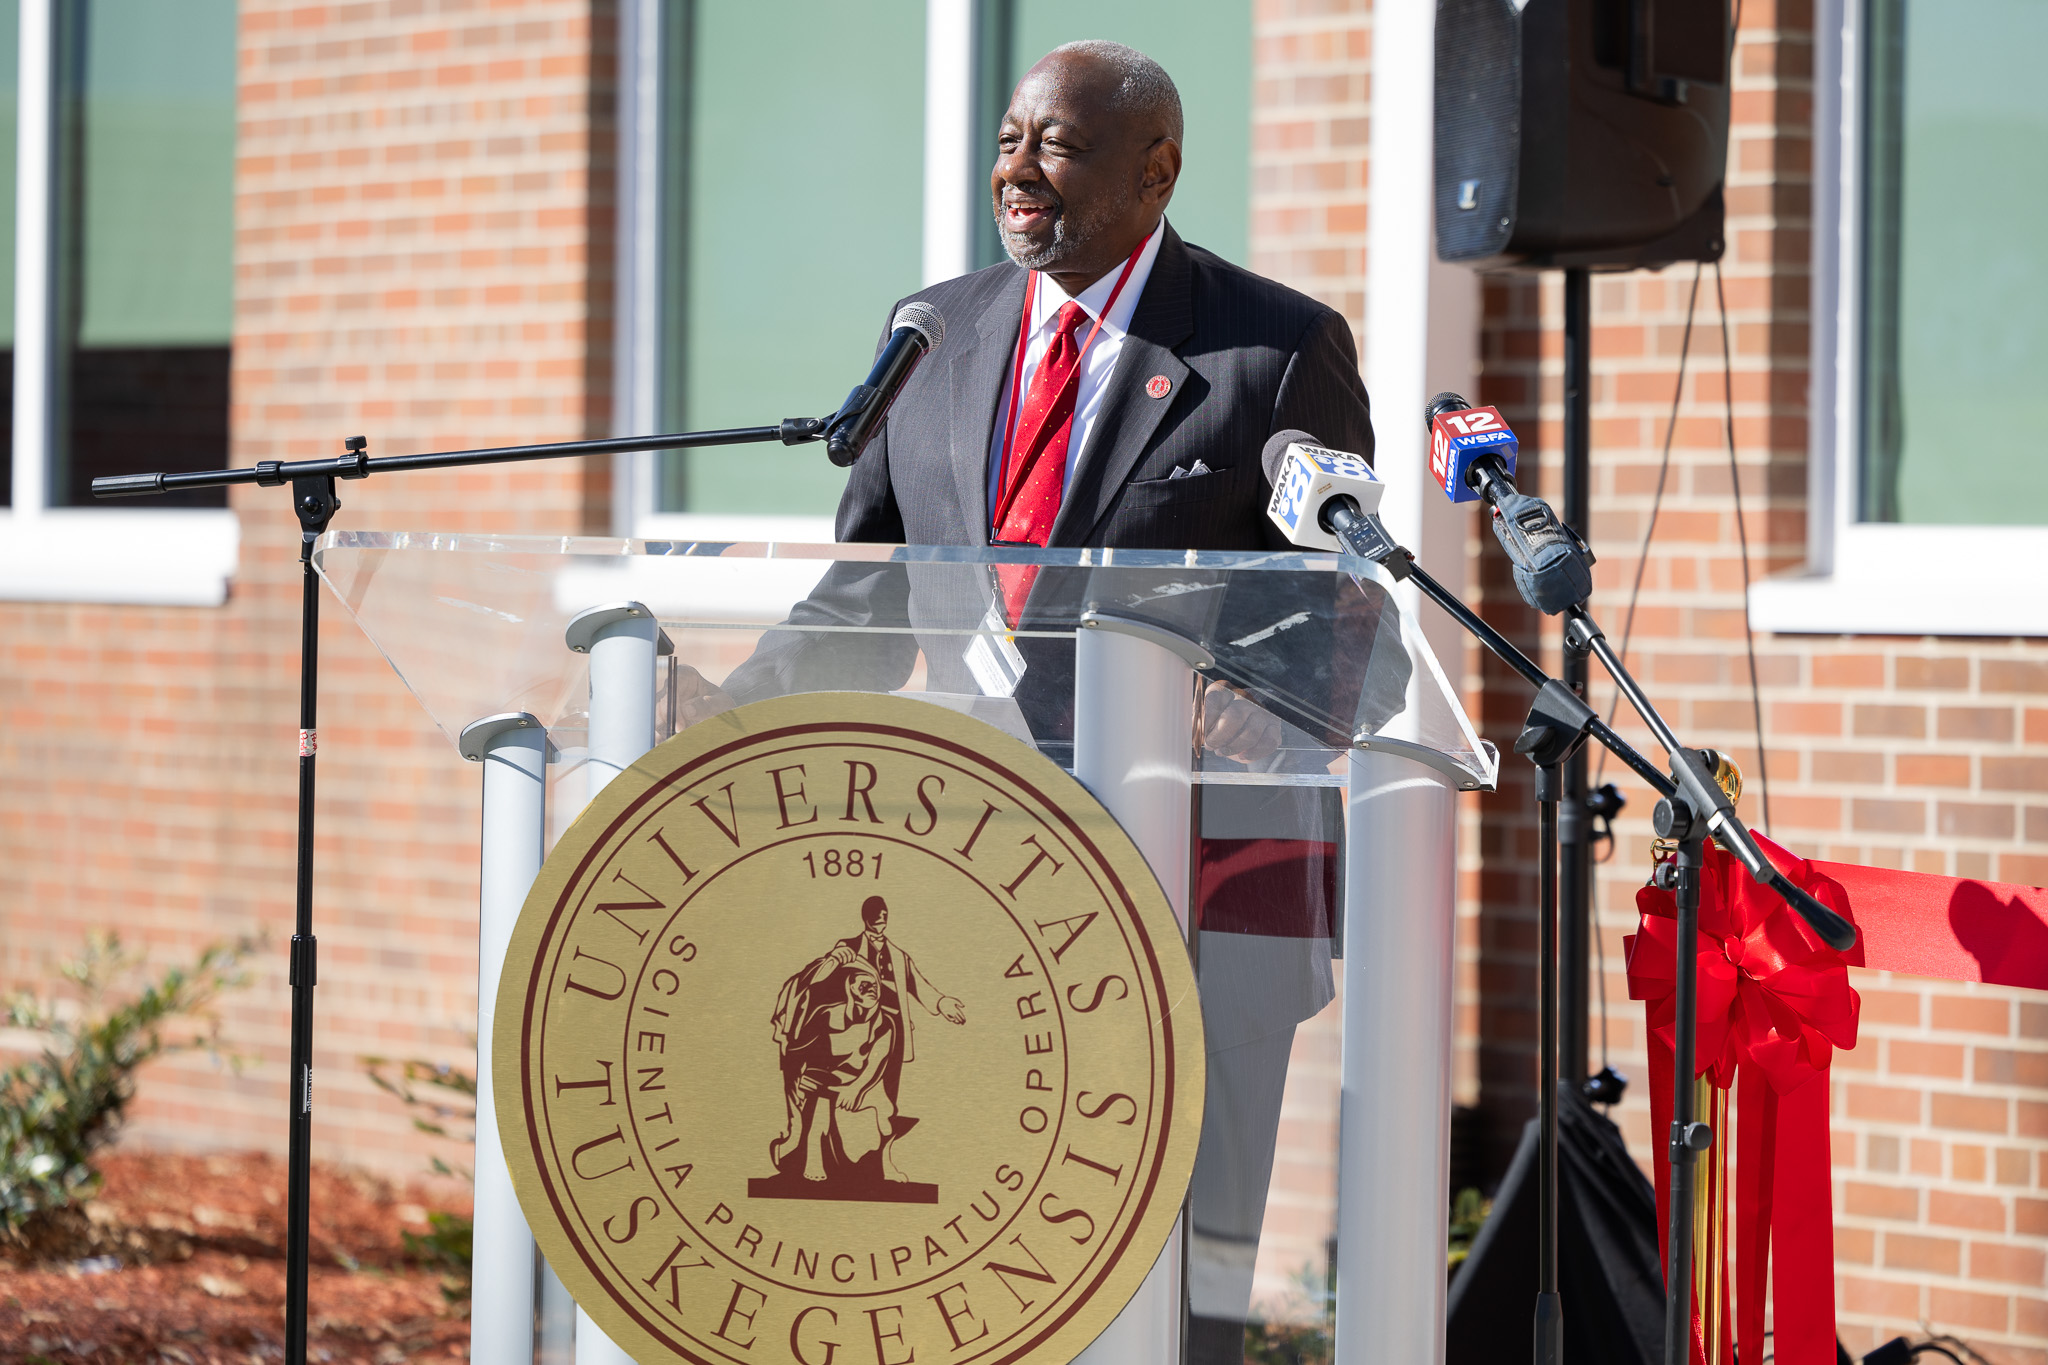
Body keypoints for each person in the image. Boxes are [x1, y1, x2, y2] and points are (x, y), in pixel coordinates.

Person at [689, 42, 1396, 1358]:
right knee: (981, 1241)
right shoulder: (933, 333)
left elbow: (1347, 596)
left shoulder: (1275, 347)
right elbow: (871, 601)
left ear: (1158, 168)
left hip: (1205, 878)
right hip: (980, 878)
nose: (1016, 170)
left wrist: (1279, 694)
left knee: (1186, 1265)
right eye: (1010, 139)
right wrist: (722, 715)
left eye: (1056, 146)